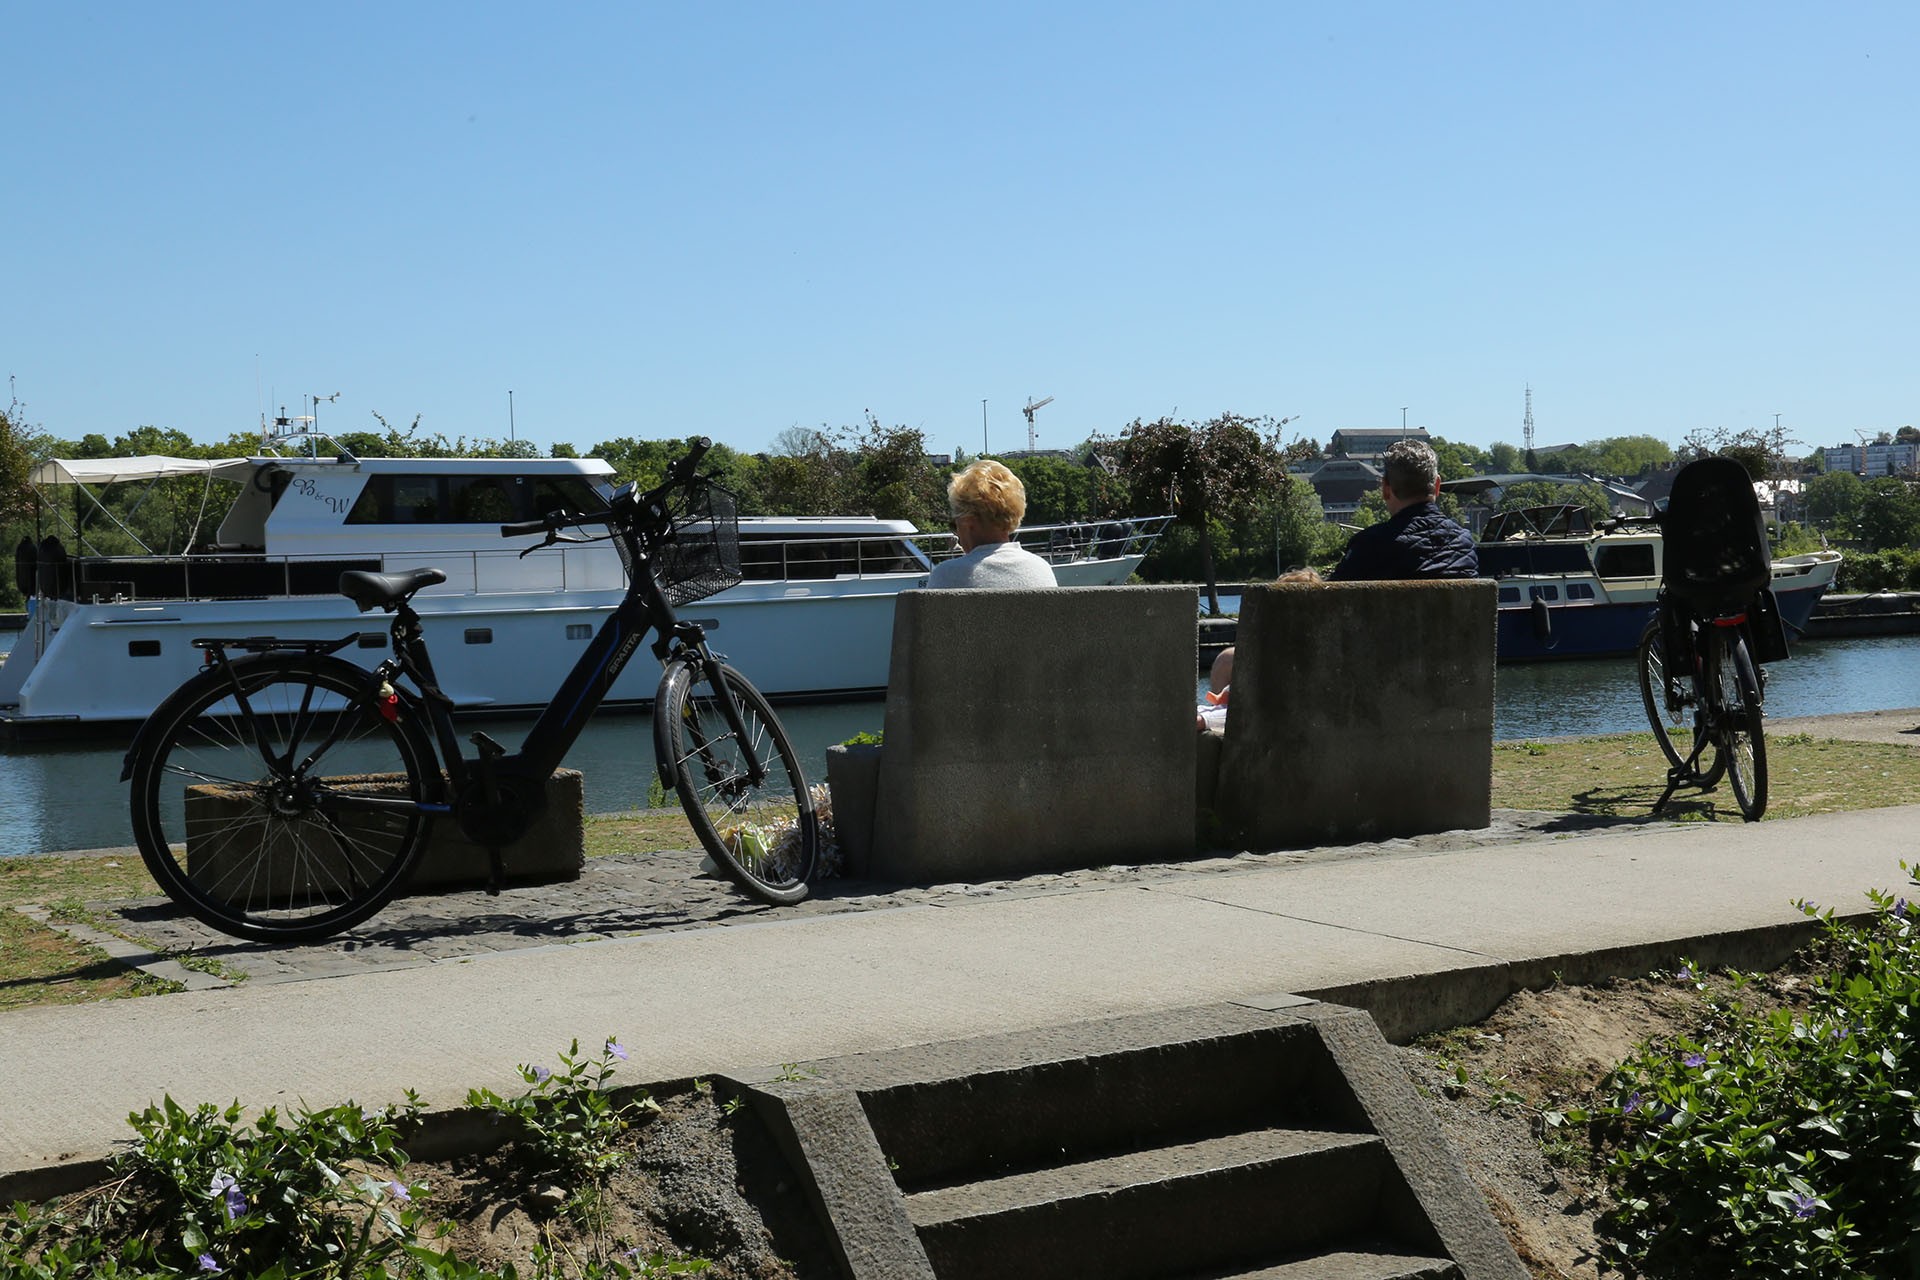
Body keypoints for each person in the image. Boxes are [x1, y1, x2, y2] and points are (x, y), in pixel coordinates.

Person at [1328, 439, 1479, 581]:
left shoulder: (1367, 547)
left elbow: (1328, 601)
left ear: (1386, 489)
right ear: (1437, 485)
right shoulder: (1464, 544)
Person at [925, 459, 1059, 589]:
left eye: (955, 525)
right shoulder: (1041, 570)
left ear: (968, 522)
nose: (957, 533)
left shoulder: (945, 576)